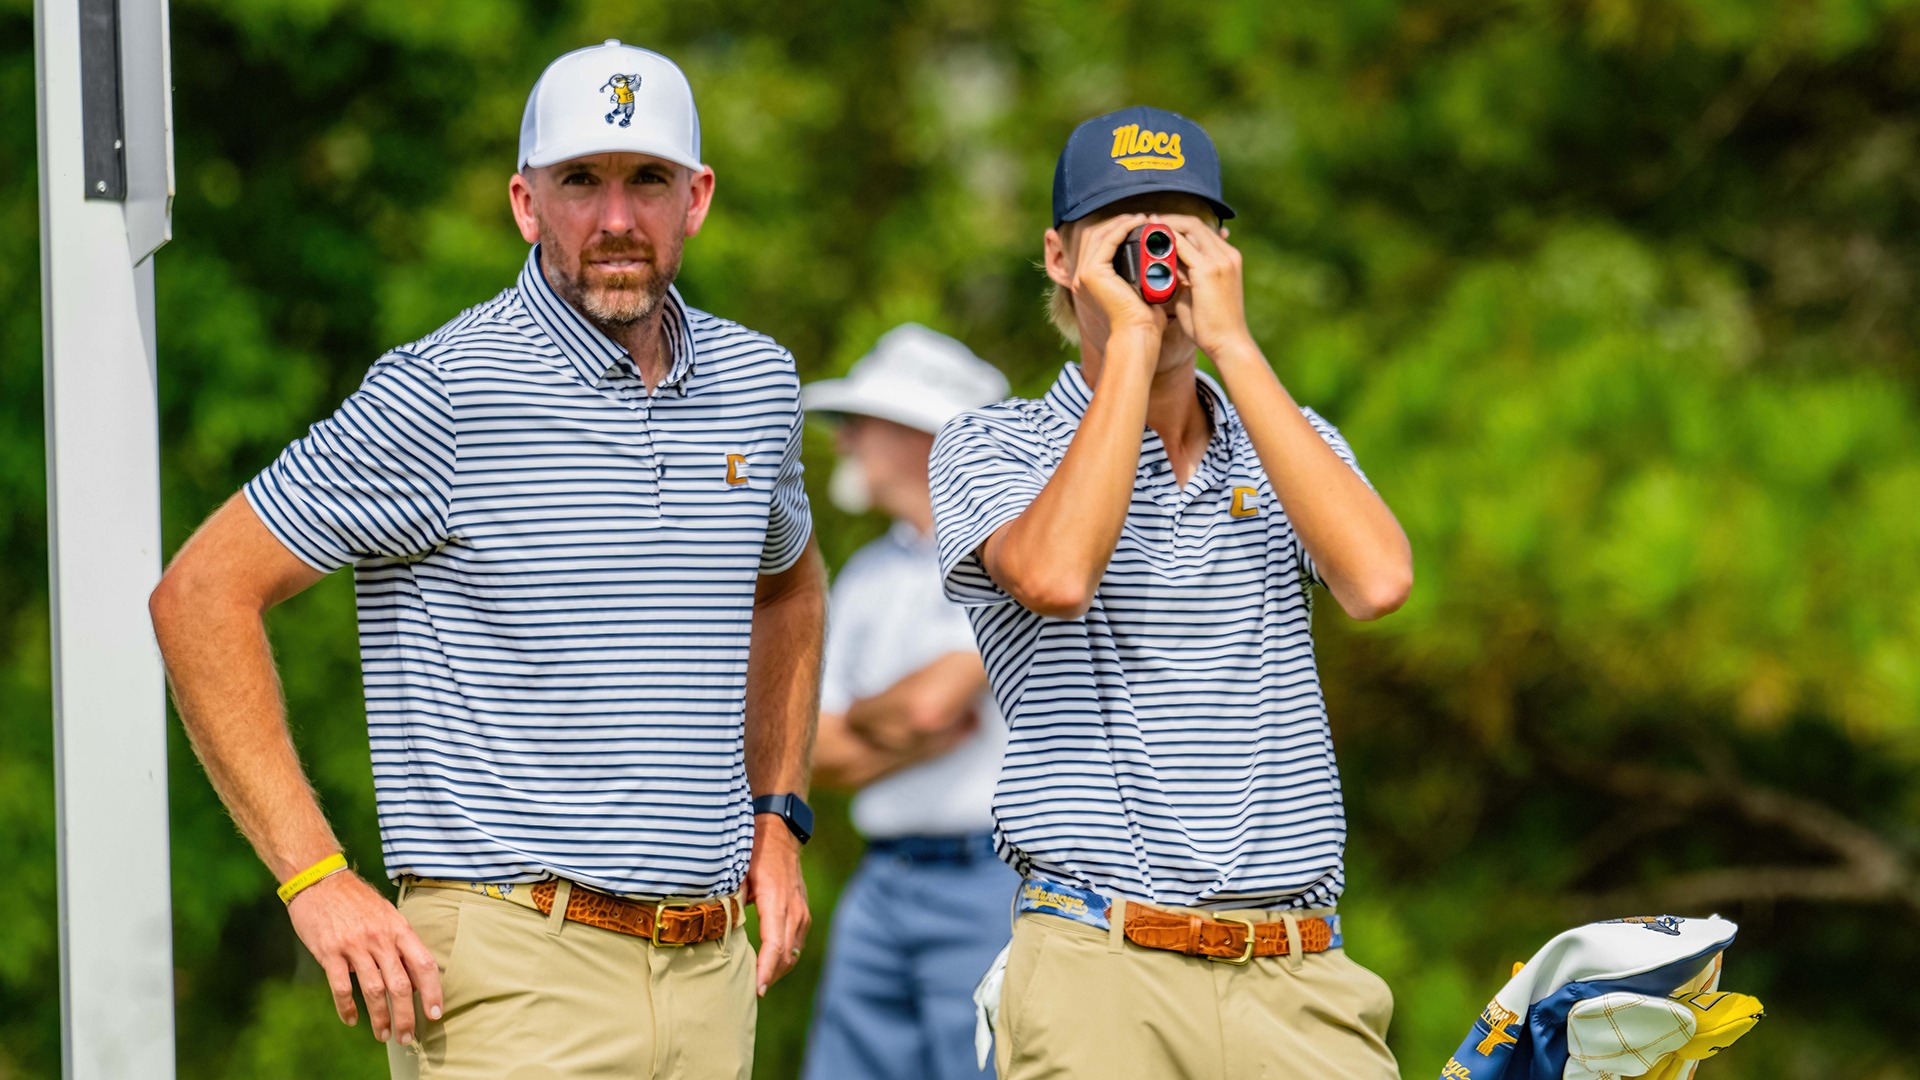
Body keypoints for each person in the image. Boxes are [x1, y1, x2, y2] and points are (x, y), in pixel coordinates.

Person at [148, 40, 825, 1080]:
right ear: (524, 203)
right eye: (579, 182)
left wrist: (778, 817)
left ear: (697, 198)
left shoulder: (757, 381)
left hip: (709, 976)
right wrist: (315, 879)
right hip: (509, 981)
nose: (614, 220)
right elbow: (201, 594)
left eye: (646, 180)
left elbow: (790, 585)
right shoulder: (446, 393)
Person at [928, 105, 1416, 1079]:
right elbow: (1057, 575)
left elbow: (1379, 580)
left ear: (1224, 252)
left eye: (1182, 228)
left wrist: (1232, 348)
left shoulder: (1288, 438)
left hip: (1297, 967)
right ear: (1061, 258)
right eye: (1128, 229)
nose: (1158, 254)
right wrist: (1133, 346)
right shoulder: (992, 444)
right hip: (1100, 963)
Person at [796, 325, 1017, 1080]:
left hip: (991, 883)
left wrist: (869, 718)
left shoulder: (1009, 558)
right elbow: (809, 751)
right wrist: (895, 725)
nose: (846, 440)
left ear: (923, 435)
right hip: (883, 883)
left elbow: (929, 706)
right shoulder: (865, 577)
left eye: (864, 423)